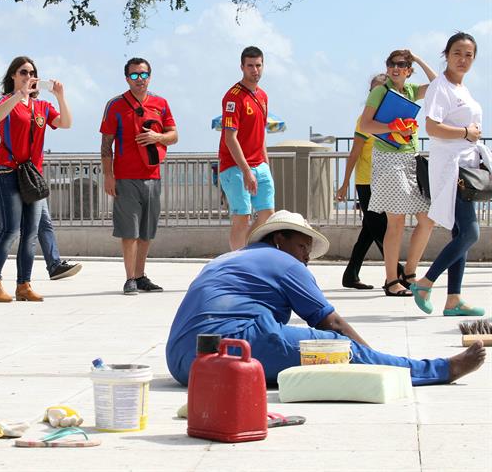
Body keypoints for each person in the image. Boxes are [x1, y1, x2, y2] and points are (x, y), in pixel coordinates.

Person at [165, 210, 486, 387]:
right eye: (303, 246)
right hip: (231, 346)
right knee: (341, 350)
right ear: (280, 239)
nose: (306, 256)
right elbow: (332, 323)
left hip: (182, 362)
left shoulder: (228, 259)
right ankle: (440, 370)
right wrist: (368, 355)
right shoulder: (285, 263)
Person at [0, 56, 73, 302]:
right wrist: (18, 94)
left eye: (32, 73)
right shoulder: (5, 101)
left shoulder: (41, 106)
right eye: (23, 72)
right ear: (13, 75)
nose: (28, 76)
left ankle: (24, 284)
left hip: (32, 174)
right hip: (8, 171)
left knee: (31, 232)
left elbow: (65, 123)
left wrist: (60, 96)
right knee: (10, 229)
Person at [411, 33, 486, 317]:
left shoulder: (461, 88)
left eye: (468, 55)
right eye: (457, 53)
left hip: (465, 167)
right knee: (470, 232)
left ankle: (453, 299)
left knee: (460, 233)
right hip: (450, 169)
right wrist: (467, 132)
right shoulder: (440, 87)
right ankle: (425, 282)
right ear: (446, 55)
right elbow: (432, 127)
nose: (463, 59)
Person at [359, 50, 437, 296]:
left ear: (408, 69)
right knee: (396, 221)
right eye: (391, 64)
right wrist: (391, 127)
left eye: (401, 64)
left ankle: (410, 272)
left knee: (427, 219)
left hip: (411, 159)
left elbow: (437, 83)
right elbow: (365, 125)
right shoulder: (379, 91)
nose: (395, 68)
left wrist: (417, 57)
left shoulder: (411, 91)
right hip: (388, 159)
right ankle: (392, 281)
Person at [100, 57, 178, 295]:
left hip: (152, 176)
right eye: (134, 75)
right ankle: (130, 277)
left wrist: (158, 138)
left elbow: (173, 135)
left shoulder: (160, 103)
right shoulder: (115, 105)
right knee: (129, 230)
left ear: (150, 76)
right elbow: (106, 145)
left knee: (147, 230)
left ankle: (141, 275)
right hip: (125, 177)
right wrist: (108, 176)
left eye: (143, 75)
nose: (139, 79)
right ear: (127, 78)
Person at [336, 74, 404, 289]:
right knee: (380, 230)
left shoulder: (391, 121)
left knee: (369, 231)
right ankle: (398, 274)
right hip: (367, 183)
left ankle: (351, 275)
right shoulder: (364, 122)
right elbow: (355, 152)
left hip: (385, 181)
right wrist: (345, 183)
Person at [218, 46, 275, 251]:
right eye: (250, 66)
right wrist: (246, 170)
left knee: (268, 214)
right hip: (235, 166)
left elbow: (261, 134)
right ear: (242, 67)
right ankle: (238, 261)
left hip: (259, 164)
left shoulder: (263, 96)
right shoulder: (233, 97)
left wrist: (265, 164)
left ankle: (248, 252)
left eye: (258, 65)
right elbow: (230, 137)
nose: (255, 70)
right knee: (242, 217)